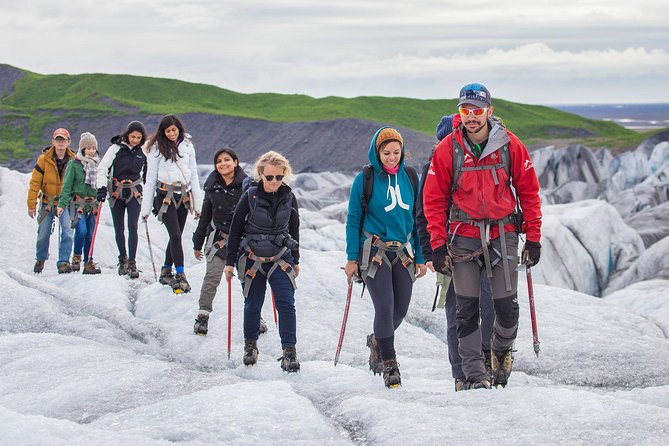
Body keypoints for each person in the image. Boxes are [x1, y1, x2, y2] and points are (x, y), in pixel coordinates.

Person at [423, 83, 542, 389]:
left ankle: (501, 352)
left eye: (477, 110)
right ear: (459, 112)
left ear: (489, 111)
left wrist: (534, 236)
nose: (471, 116)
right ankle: (475, 376)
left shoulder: (510, 144)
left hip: (504, 233)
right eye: (465, 110)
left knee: (506, 307)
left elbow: (528, 191)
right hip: (464, 236)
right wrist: (437, 245)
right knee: (466, 310)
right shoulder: (447, 149)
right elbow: (433, 200)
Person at [416, 113, 495, 392]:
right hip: (450, 250)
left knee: (490, 306)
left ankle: (483, 366)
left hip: (482, 246)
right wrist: (432, 252)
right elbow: (423, 214)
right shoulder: (432, 169)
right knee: (458, 313)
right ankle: (462, 374)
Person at [344, 127, 427, 388]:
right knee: (385, 306)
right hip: (374, 252)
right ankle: (390, 365)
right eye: (386, 152)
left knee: (400, 309)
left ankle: (377, 340)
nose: (391, 157)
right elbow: (354, 219)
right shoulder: (365, 179)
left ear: (403, 152)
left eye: (396, 152)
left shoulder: (411, 177)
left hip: (402, 253)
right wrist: (352, 257)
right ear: (376, 152)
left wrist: (421, 256)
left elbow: (416, 219)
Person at [223, 151, 301, 372]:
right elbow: (236, 229)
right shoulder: (249, 197)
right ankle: (250, 346)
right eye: (270, 177)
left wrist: (296, 260)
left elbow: (294, 228)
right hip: (252, 259)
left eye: (279, 177)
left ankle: (289, 352)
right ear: (260, 175)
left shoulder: (289, 196)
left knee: (286, 304)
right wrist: (229, 263)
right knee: (253, 304)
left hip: (281, 259)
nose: (275, 181)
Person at [141, 115, 203, 293]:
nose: (171, 134)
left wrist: (197, 205)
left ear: (179, 129)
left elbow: (194, 176)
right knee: (175, 235)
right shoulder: (156, 148)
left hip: (183, 196)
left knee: (176, 235)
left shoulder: (188, 147)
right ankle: (181, 274)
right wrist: (146, 209)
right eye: (167, 131)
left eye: (174, 130)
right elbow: (150, 178)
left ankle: (166, 270)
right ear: (163, 132)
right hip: (164, 196)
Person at [192, 148, 249, 336]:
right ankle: (202, 317)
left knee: (247, 280)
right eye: (219, 161)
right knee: (211, 278)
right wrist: (197, 243)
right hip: (219, 240)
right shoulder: (212, 187)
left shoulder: (248, 186)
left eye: (227, 160)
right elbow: (205, 217)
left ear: (235, 162)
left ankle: (255, 317)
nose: (223, 164)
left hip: (242, 241)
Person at [96, 121, 148, 279]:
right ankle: (122, 259)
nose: (135, 140)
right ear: (127, 135)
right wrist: (101, 188)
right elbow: (103, 168)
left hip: (135, 192)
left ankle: (132, 263)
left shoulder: (143, 152)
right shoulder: (115, 149)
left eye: (138, 137)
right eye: (133, 136)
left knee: (133, 227)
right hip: (116, 192)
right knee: (119, 228)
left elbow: (148, 174)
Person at [27, 128, 75, 274]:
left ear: (68, 142)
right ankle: (40, 259)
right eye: (58, 139)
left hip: (65, 202)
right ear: (53, 141)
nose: (60, 143)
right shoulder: (43, 160)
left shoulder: (74, 160)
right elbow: (35, 182)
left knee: (67, 231)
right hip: (47, 201)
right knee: (43, 233)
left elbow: (78, 181)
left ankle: (64, 262)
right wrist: (31, 204)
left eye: (63, 140)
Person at [56, 132, 102, 274]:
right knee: (81, 231)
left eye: (93, 148)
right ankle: (76, 257)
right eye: (88, 148)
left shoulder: (99, 166)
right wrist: (62, 204)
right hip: (78, 204)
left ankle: (88, 262)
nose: (91, 151)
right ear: (82, 149)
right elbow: (67, 186)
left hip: (93, 205)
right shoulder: (74, 165)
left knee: (90, 234)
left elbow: (102, 183)